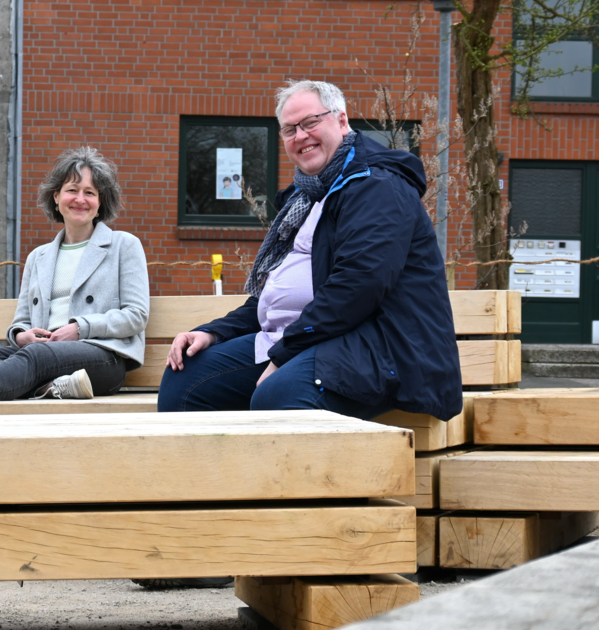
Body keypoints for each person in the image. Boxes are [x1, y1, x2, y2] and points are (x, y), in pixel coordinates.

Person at [159, 79, 462, 421]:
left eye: (310, 123)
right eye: (289, 130)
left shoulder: (377, 186)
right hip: (315, 338)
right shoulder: (307, 198)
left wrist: (283, 355)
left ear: (342, 121)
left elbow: (357, 287)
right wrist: (213, 332)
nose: (300, 136)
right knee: (186, 381)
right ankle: (220, 475)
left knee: (280, 395)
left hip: (385, 347)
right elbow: (272, 299)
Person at [0, 146, 149, 403]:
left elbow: (136, 316)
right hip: (42, 352)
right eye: (72, 190)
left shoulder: (124, 246)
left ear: (100, 203)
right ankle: (49, 388)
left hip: (102, 356)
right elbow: (21, 319)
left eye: (90, 193)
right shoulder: (38, 257)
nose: (80, 199)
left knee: (37, 358)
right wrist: (22, 335)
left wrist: (79, 329)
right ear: (56, 197)